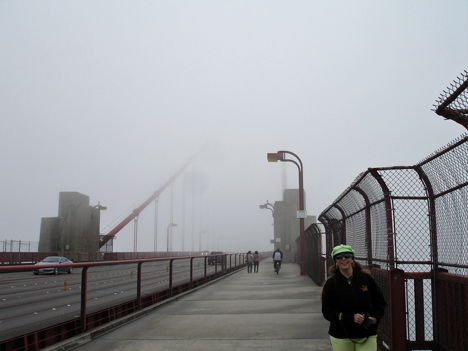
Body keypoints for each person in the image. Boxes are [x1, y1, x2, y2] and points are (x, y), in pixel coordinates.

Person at [321, 244, 386, 351]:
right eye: (339, 257)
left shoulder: (366, 279)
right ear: (335, 261)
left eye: (347, 256)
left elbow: (380, 302)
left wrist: (374, 317)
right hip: (341, 334)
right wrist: (350, 318)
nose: (343, 259)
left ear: (352, 259)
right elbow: (327, 311)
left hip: (366, 333)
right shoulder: (331, 283)